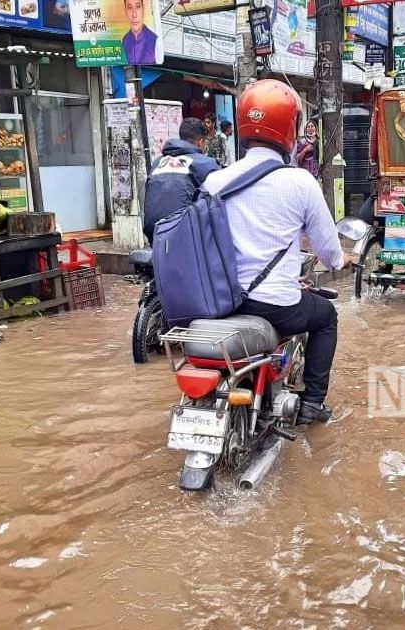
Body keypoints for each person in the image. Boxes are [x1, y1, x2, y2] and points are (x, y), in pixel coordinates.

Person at [198, 80, 349, 425]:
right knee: (326, 316)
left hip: (222, 301)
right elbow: (328, 249)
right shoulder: (300, 183)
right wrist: (341, 261)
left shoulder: (216, 181)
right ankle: (311, 402)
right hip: (276, 304)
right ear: (289, 130)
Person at [142, 117, 220, 244]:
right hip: (185, 236)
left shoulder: (158, 162)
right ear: (200, 142)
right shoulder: (207, 164)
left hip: (154, 233)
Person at [121, 0, 159, 65]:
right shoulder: (125, 40)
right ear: (125, 12)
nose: (134, 15)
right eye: (130, 8)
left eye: (138, 7)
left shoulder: (154, 40)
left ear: (143, 9)